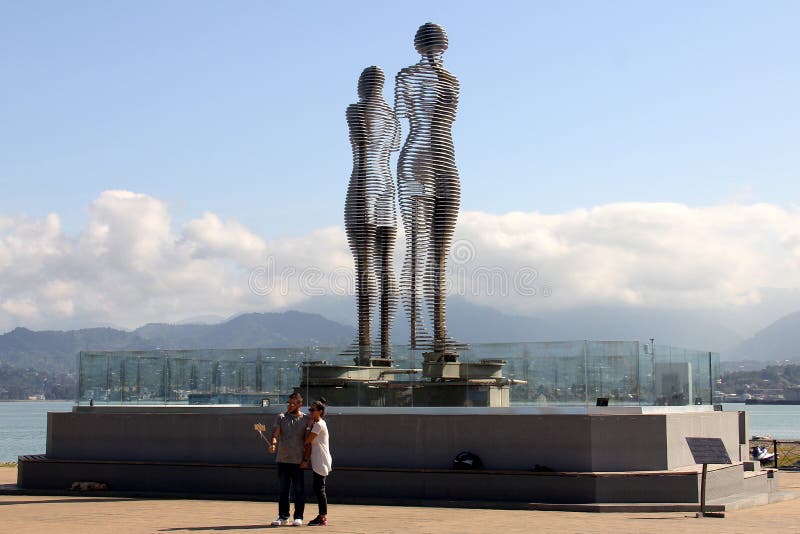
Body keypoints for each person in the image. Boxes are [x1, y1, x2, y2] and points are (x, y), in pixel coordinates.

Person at [269, 392, 310, 527]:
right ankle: (283, 517)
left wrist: (306, 459)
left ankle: (298, 516)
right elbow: (275, 433)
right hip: (282, 459)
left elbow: (308, 441)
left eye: (293, 403)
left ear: (300, 404)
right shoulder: (281, 417)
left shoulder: (306, 419)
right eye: (288, 403)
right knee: (283, 489)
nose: (289, 405)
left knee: (299, 489)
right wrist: (273, 443)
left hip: (298, 460)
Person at [301, 398, 333, 526]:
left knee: (319, 489)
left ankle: (322, 516)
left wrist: (308, 426)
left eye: (312, 410)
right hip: (319, 460)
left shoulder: (318, 424)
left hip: (321, 460)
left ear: (319, 411)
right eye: (310, 409)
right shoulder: (319, 423)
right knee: (319, 488)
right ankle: (322, 515)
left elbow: (307, 440)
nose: (310, 412)